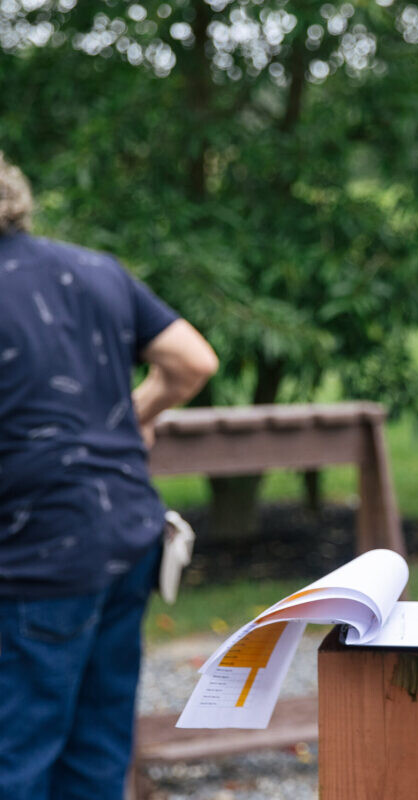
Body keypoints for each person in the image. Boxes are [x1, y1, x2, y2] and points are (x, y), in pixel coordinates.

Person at [0, 153, 218, 799]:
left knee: (15, 754)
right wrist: (134, 413)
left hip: (34, 549)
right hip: (127, 536)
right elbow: (192, 361)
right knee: (97, 749)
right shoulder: (94, 269)